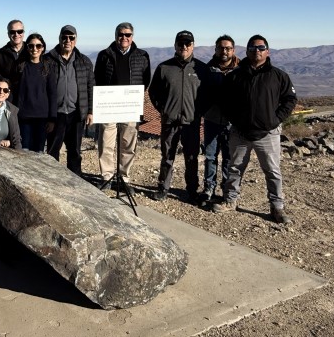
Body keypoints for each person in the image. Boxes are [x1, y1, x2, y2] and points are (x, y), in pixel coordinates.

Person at [212, 35, 298, 224]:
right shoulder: (235, 75)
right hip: (240, 132)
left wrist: (275, 120)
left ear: (267, 51)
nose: (256, 51)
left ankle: (277, 207)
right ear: (247, 51)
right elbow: (224, 101)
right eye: (252, 48)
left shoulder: (278, 76)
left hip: (268, 133)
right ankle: (230, 200)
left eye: (261, 47)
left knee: (272, 171)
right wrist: (234, 119)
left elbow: (290, 99)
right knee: (234, 168)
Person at [148, 30, 208, 202]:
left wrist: (198, 112)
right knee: (167, 157)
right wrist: (164, 110)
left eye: (187, 43)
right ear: (175, 45)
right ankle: (163, 188)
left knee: (191, 157)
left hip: (191, 122)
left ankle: (192, 190)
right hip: (169, 121)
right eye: (180, 43)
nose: (184, 47)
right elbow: (153, 93)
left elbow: (208, 95)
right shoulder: (164, 67)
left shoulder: (201, 69)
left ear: (193, 46)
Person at [93, 22, 151, 187]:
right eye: (121, 34)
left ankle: (124, 178)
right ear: (115, 35)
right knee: (106, 143)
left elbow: (146, 80)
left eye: (128, 35)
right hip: (108, 107)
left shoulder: (142, 56)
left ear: (132, 37)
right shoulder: (104, 55)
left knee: (128, 144)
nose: (124, 38)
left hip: (130, 107)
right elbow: (97, 79)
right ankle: (107, 177)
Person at [45, 25, 94, 176]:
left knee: (75, 151)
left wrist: (90, 111)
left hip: (76, 114)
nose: (67, 40)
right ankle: (53, 181)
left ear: (75, 40)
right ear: (59, 39)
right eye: (64, 37)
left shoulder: (84, 61)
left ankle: (75, 181)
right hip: (55, 114)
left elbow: (90, 87)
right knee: (53, 152)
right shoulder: (48, 60)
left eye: (71, 38)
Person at [200, 35, 241, 205]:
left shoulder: (241, 70)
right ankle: (209, 188)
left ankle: (226, 189)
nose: (224, 51)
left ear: (233, 50)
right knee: (210, 156)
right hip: (212, 119)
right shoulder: (207, 69)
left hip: (233, 122)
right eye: (221, 48)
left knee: (229, 158)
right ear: (215, 49)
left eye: (228, 48)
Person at [12, 33, 57, 152]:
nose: (35, 49)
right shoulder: (20, 67)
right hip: (23, 116)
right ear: (27, 48)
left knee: (39, 151)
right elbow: (15, 92)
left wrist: (52, 119)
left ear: (43, 48)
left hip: (42, 118)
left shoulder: (48, 67)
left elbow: (52, 93)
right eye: (31, 46)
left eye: (38, 46)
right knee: (24, 151)